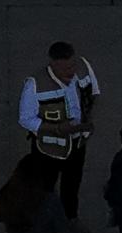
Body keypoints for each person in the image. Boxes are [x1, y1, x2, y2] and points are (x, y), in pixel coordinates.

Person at [20, 38, 102, 217]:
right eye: (66, 69)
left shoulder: (83, 67)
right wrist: (56, 129)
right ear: (53, 64)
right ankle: (44, 220)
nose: (72, 71)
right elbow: (26, 119)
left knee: (72, 185)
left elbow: (94, 92)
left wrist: (89, 120)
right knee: (45, 186)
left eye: (73, 65)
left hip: (77, 143)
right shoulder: (35, 84)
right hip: (48, 149)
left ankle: (70, 218)